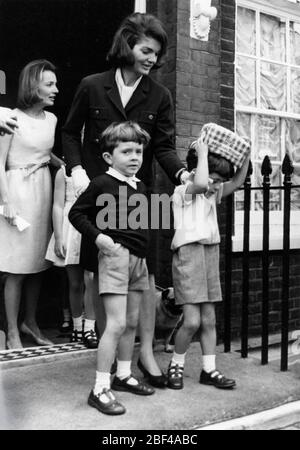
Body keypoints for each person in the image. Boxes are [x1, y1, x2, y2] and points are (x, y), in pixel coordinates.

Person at [62, 12, 189, 387]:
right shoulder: (91, 85)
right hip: (100, 192)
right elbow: (70, 133)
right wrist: (76, 170)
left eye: (156, 53)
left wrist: (181, 174)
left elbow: (163, 147)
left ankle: (146, 355)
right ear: (127, 45)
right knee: (101, 277)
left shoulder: (160, 95)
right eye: (146, 50)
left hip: (141, 195)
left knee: (145, 277)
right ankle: (115, 364)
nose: (151, 58)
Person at [69, 121, 155, 416]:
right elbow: (76, 214)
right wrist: (100, 238)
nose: (135, 157)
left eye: (139, 151)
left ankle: (123, 374)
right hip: (115, 258)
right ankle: (99, 388)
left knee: (131, 323)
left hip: (137, 262)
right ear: (109, 157)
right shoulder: (102, 183)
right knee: (116, 324)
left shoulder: (140, 186)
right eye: (126, 151)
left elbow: (144, 224)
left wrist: (143, 255)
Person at [167, 136, 250, 390]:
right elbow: (202, 182)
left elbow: (237, 181)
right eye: (214, 180)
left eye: (218, 183)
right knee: (191, 321)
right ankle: (176, 365)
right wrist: (202, 153)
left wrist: (245, 155)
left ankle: (209, 370)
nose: (216, 186)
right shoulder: (184, 192)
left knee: (209, 320)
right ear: (195, 171)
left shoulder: (211, 194)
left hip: (210, 253)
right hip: (188, 255)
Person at [0, 59, 59, 349]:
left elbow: (46, 154)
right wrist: (6, 200)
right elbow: (0, 161)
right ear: (32, 86)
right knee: (16, 266)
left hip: (43, 191)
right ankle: (11, 329)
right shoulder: (11, 117)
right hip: (17, 192)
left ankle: (30, 322)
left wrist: (67, 166)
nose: (56, 90)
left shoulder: (52, 120)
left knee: (38, 263)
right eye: (49, 84)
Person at [46, 165, 98, 348]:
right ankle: (77, 326)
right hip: (70, 227)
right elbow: (57, 205)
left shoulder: (98, 165)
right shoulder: (64, 170)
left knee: (91, 279)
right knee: (75, 282)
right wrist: (59, 235)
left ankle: (89, 328)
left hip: (91, 225)